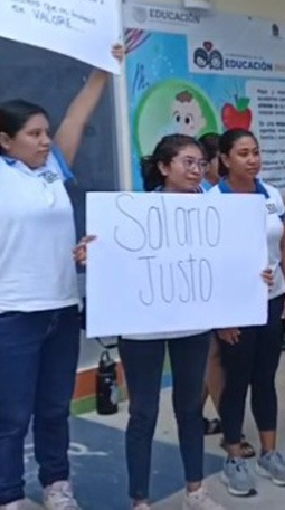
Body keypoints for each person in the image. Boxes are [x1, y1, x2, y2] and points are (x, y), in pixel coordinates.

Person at [0, 44, 122, 510]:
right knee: (9, 415)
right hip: (11, 314)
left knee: (53, 409)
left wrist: (102, 73)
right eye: (33, 134)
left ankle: (56, 484)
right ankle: (6, 495)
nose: (45, 140)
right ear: (4, 140)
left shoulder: (51, 170)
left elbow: (76, 120)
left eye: (46, 132)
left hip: (62, 309)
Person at [82, 134, 225, 510]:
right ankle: (140, 499)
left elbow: (230, 263)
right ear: (163, 168)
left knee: (190, 409)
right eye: (187, 162)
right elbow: (113, 260)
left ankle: (196, 491)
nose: (197, 170)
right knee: (143, 412)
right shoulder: (132, 212)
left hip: (193, 325)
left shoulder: (216, 211)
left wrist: (251, 277)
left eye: (200, 163)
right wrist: (91, 255)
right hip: (141, 327)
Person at [209, 129, 285, 496]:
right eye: (243, 153)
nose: (252, 159)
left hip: (273, 300)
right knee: (236, 381)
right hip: (235, 307)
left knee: (266, 378)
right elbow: (209, 261)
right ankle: (233, 457)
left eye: (255, 152)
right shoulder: (212, 199)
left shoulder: (271, 194)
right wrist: (222, 315)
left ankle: (270, 452)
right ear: (225, 159)